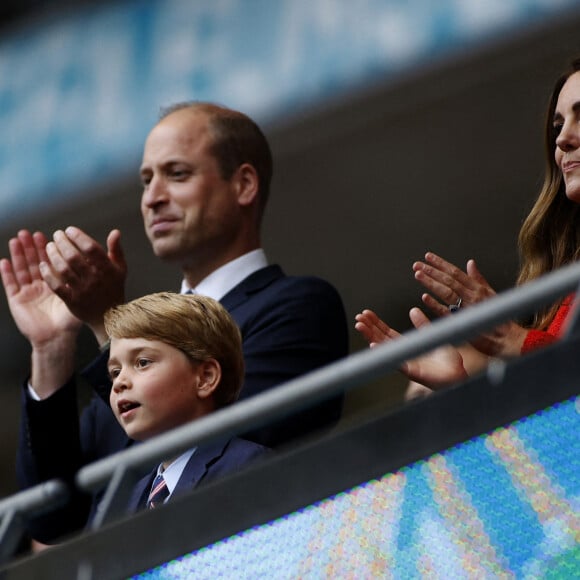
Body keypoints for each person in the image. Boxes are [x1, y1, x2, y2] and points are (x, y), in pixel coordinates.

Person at [2, 102, 348, 544]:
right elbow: (52, 520)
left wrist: (114, 328)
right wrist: (51, 348)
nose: (152, 196)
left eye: (177, 174)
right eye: (147, 180)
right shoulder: (124, 368)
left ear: (243, 184)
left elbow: (215, 457)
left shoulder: (299, 306)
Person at [356, 56, 580, 394]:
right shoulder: (563, 283)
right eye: (557, 127)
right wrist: (460, 392)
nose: (562, 139)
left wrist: (514, 340)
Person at [102, 291, 268, 517]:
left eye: (142, 362)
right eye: (115, 372)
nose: (119, 382)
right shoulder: (127, 499)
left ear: (205, 377)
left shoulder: (248, 467)